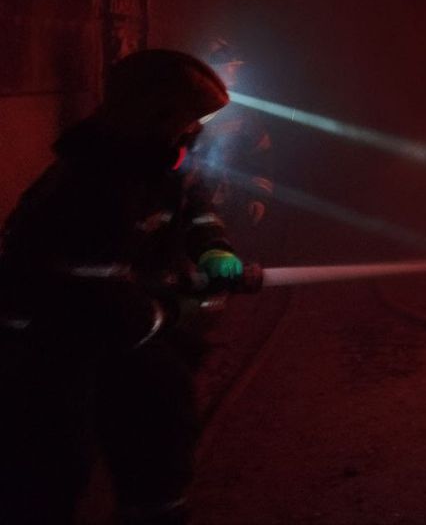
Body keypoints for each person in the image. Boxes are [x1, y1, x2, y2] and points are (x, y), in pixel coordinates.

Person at [0, 49, 245, 525]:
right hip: (45, 348)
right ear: (153, 118)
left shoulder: (155, 167)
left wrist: (213, 247)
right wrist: (178, 309)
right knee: (50, 466)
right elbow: (101, 304)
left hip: (117, 336)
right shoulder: (89, 187)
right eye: (186, 122)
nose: (193, 133)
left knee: (161, 425)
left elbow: (194, 208)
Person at [193, 38, 274, 241]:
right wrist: (207, 136)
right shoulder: (189, 108)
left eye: (235, 67)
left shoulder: (242, 113)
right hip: (192, 205)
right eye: (227, 68)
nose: (233, 74)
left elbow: (261, 156)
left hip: (231, 206)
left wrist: (258, 197)